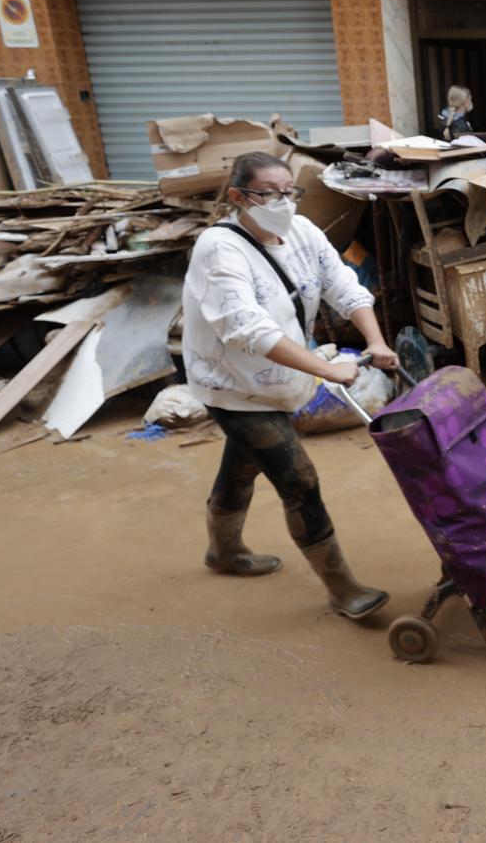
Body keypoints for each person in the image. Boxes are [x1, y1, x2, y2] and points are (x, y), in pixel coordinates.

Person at [182, 152, 400, 620]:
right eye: (268, 193)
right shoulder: (220, 249)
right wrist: (327, 370)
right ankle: (343, 589)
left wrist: (375, 339)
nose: (282, 202)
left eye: (289, 191)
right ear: (238, 197)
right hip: (233, 383)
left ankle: (223, 551)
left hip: (280, 378)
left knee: (243, 464)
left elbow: (343, 284)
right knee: (297, 478)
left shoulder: (302, 232)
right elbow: (247, 328)